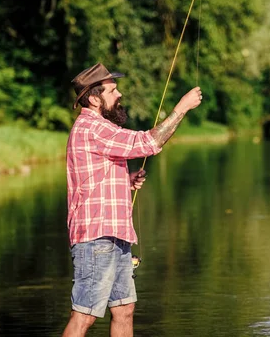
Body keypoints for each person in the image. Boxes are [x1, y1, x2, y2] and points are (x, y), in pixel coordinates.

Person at [62, 63, 202, 337]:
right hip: (96, 237)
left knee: (124, 309)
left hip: (115, 235)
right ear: (94, 98)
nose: (119, 95)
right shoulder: (92, 128)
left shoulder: (99, 127)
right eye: (113, 91)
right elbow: (148, 143)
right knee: (85, 316)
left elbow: (92, 179)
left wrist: (126, 181)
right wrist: (182, 107)